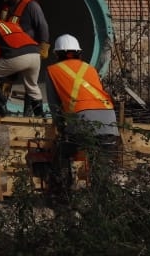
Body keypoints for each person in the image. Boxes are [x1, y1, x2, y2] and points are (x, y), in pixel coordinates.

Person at [45, 34, 119, 188]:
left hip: (82, 117)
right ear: (79, 52)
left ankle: (61, 192)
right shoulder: (90, 68)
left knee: (64, 154)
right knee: (102, 164)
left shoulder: (52, 70)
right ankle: (103, 197)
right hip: (108, 117)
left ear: (57, 54)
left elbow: (54, 105)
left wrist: (60, 127)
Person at [0, 11, 43, 116]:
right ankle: (40, 116)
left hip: (19, 56)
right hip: (35, 54)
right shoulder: (10, 25)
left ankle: (0, 107)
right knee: (32, 86)